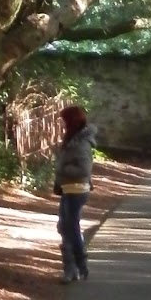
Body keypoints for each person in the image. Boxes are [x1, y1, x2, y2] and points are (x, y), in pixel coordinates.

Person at [52, 102, 94, 283]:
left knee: (69, 227)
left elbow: (84, 169)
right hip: (69, 188)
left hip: (77, 190)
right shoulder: (72, 139)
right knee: (66, 227)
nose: (62, 124)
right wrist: (59, 182)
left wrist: (63, 171)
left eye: (64, 120)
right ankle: (76, 266)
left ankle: (75, 267)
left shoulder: (81, 143)